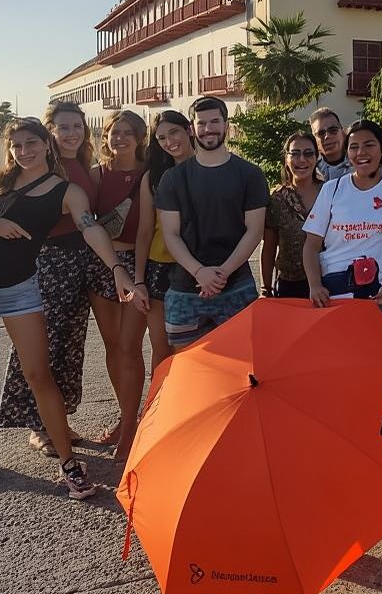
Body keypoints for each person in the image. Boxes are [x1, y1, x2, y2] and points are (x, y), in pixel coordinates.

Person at [0, 118, 130, 498]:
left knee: (39, 374)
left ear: (47, 144)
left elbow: (90, 228)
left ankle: (69, 463)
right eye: (17, 145)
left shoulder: (66, 190)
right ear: (9, 149)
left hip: (20, 288)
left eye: (32, 143)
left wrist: (116, 269)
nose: (24, 151)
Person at [0, 101, 103, 454]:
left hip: (79, 260)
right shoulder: (44, 168)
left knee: (69, 346)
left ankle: (59, 419)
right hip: (48, 261)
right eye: (63, 127)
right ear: (50, 133)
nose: (72, 133)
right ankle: (38, 426)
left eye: (77, 126)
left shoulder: (81, 165)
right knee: (42, 345)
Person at [156, 97, 269, 348]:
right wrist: (199, 272)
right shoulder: (173, 179)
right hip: (186, 289)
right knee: (189, 371)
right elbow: (171, 234)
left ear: (226, 125)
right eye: (202, 123)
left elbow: (255, 230)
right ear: (192, 129)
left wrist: (222, 274)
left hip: (237, 287)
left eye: (215, 121)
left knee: (242, 370)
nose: (209, 129)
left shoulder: (250, 174)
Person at [121, 110, 195, 459]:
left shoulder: (209, 167)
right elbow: (143, 231)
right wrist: (138, 279)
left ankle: (192, 416)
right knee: (162, 351)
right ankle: (157, 422)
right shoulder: (154, 176)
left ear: (189, 131)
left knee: (197, 351)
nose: (170, 142)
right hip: (159, 270)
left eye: (175, 133)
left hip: (201, 271)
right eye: (162, 137)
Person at [303, 119, 382, 305]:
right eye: (354, 147)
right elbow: (311, 245)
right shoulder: (332, 189)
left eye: (369, 145)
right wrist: (315, 285)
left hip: (377, 292)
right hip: (333, 293)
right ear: (347, 153)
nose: (361, 153)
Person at [90, 110, 149, 449]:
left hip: (135, 265)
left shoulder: (147, 176)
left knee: (129, 348)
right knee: (113, 348)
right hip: (102, 264)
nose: (120, 138)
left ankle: (129, 430)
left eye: (128, 132)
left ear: (140, 138)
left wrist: (137, 277)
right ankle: (125, 415)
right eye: (114, 132)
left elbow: (144, 231)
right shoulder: (97, 175)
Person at [260, 131, 323, 299]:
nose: (302, 159)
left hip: (327, 281)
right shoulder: (277, 199)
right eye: (295, 154)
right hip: (289, 285)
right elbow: (269, 248)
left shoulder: (329, 193)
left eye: (308, 153)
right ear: (286, 159)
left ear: (317, 157)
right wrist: (266, 289)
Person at [309, 107, 351, 181]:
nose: (327, 136)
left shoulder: (359, 165)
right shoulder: (310, 172)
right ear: (314, 139)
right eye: (320, 133)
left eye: (333, 130)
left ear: (342, 132)